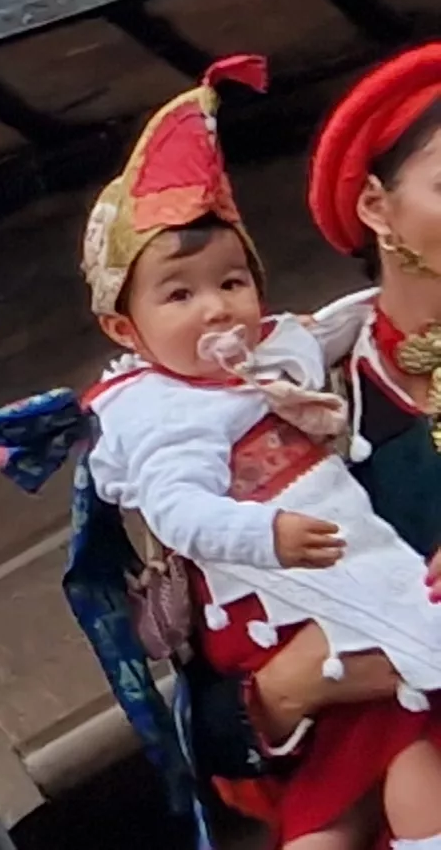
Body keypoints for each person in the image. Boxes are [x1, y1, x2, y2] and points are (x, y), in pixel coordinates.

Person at [82, 57, 441, 850]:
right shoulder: (289, 400)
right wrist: (287, 688)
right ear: (377, 207)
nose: (212, 307)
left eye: (229, 281)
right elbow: (208, 719)